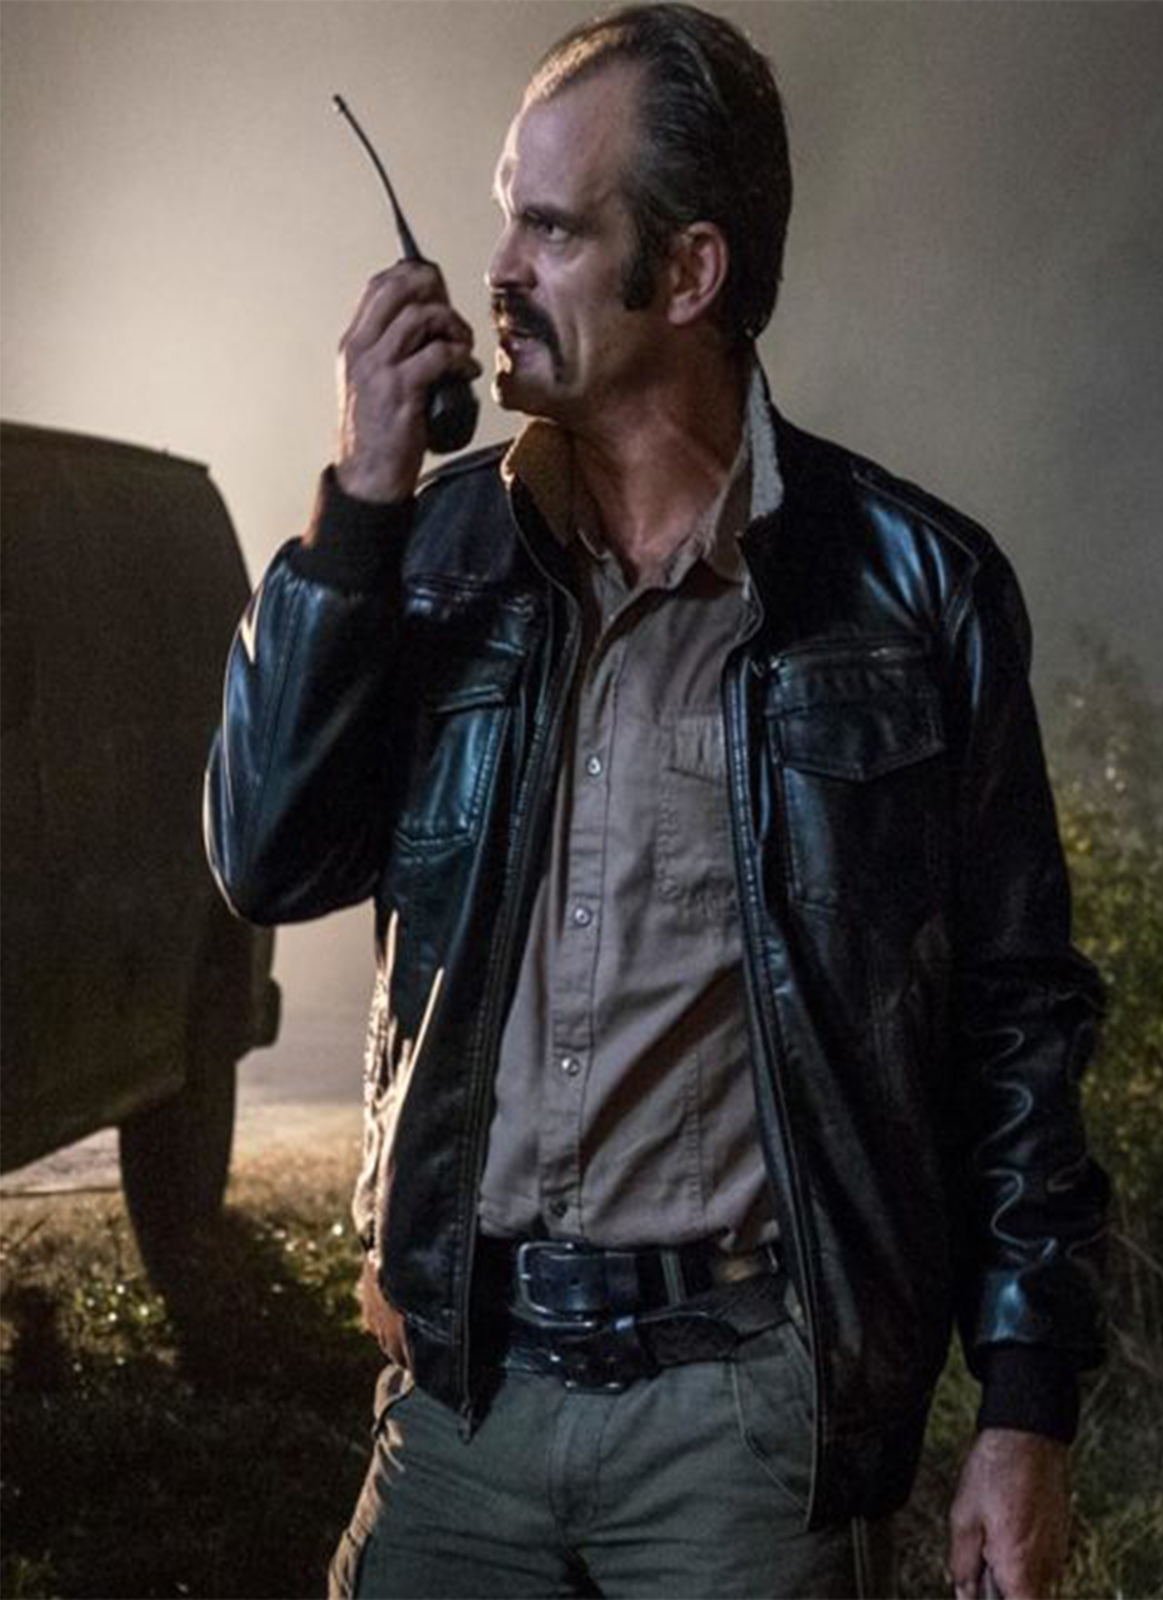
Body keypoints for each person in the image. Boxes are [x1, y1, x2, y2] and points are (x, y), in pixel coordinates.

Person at [204, 6, 1108, 1596]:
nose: (495, 269)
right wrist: (355, 517)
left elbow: (1017, 1018)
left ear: (689, 273)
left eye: (553, 229)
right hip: (459, 1405)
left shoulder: (916, 593)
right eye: (504, 213)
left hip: (745, 1426)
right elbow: (265, 861)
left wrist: (1024, 1406)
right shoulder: (428, 560)